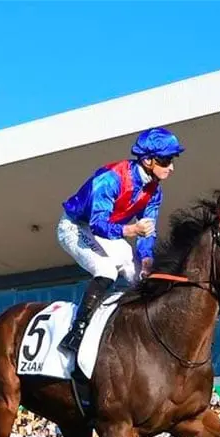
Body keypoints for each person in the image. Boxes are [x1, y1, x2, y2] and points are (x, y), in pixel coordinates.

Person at [56, 126, 184, 356]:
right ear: (148, 161)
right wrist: (131, 229)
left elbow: (148, 230)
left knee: (143, 278)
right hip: (76, 227)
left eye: (172, 160)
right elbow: (98, 225)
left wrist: (146, 257)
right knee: (106, 270)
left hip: (111, 231)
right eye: (166, 161)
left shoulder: (155, 191)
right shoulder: (110, 179)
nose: (171, 167)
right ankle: (77, 332)